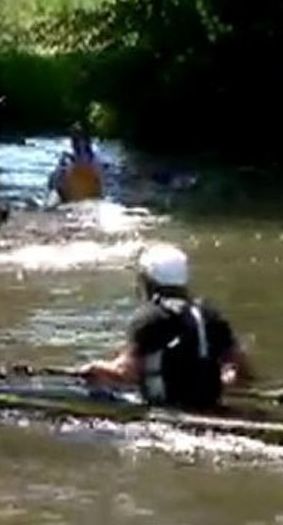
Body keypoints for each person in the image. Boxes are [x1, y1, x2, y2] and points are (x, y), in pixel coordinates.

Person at [78, 243, 254, 411]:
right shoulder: (209, 314)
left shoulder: (150, 316)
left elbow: (126, 373)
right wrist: (223, 380)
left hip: (167, 407)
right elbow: (242, 370)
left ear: (147, 281)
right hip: (208, 404)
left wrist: (95, 369)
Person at [48, 123, 103, 203]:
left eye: (79, 138)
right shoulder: (67, 157)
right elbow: (54, 182)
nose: (80, 142)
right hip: (70, 194)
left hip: (84, 195)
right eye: (76, 139)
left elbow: (99, 182)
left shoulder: (94, 157)